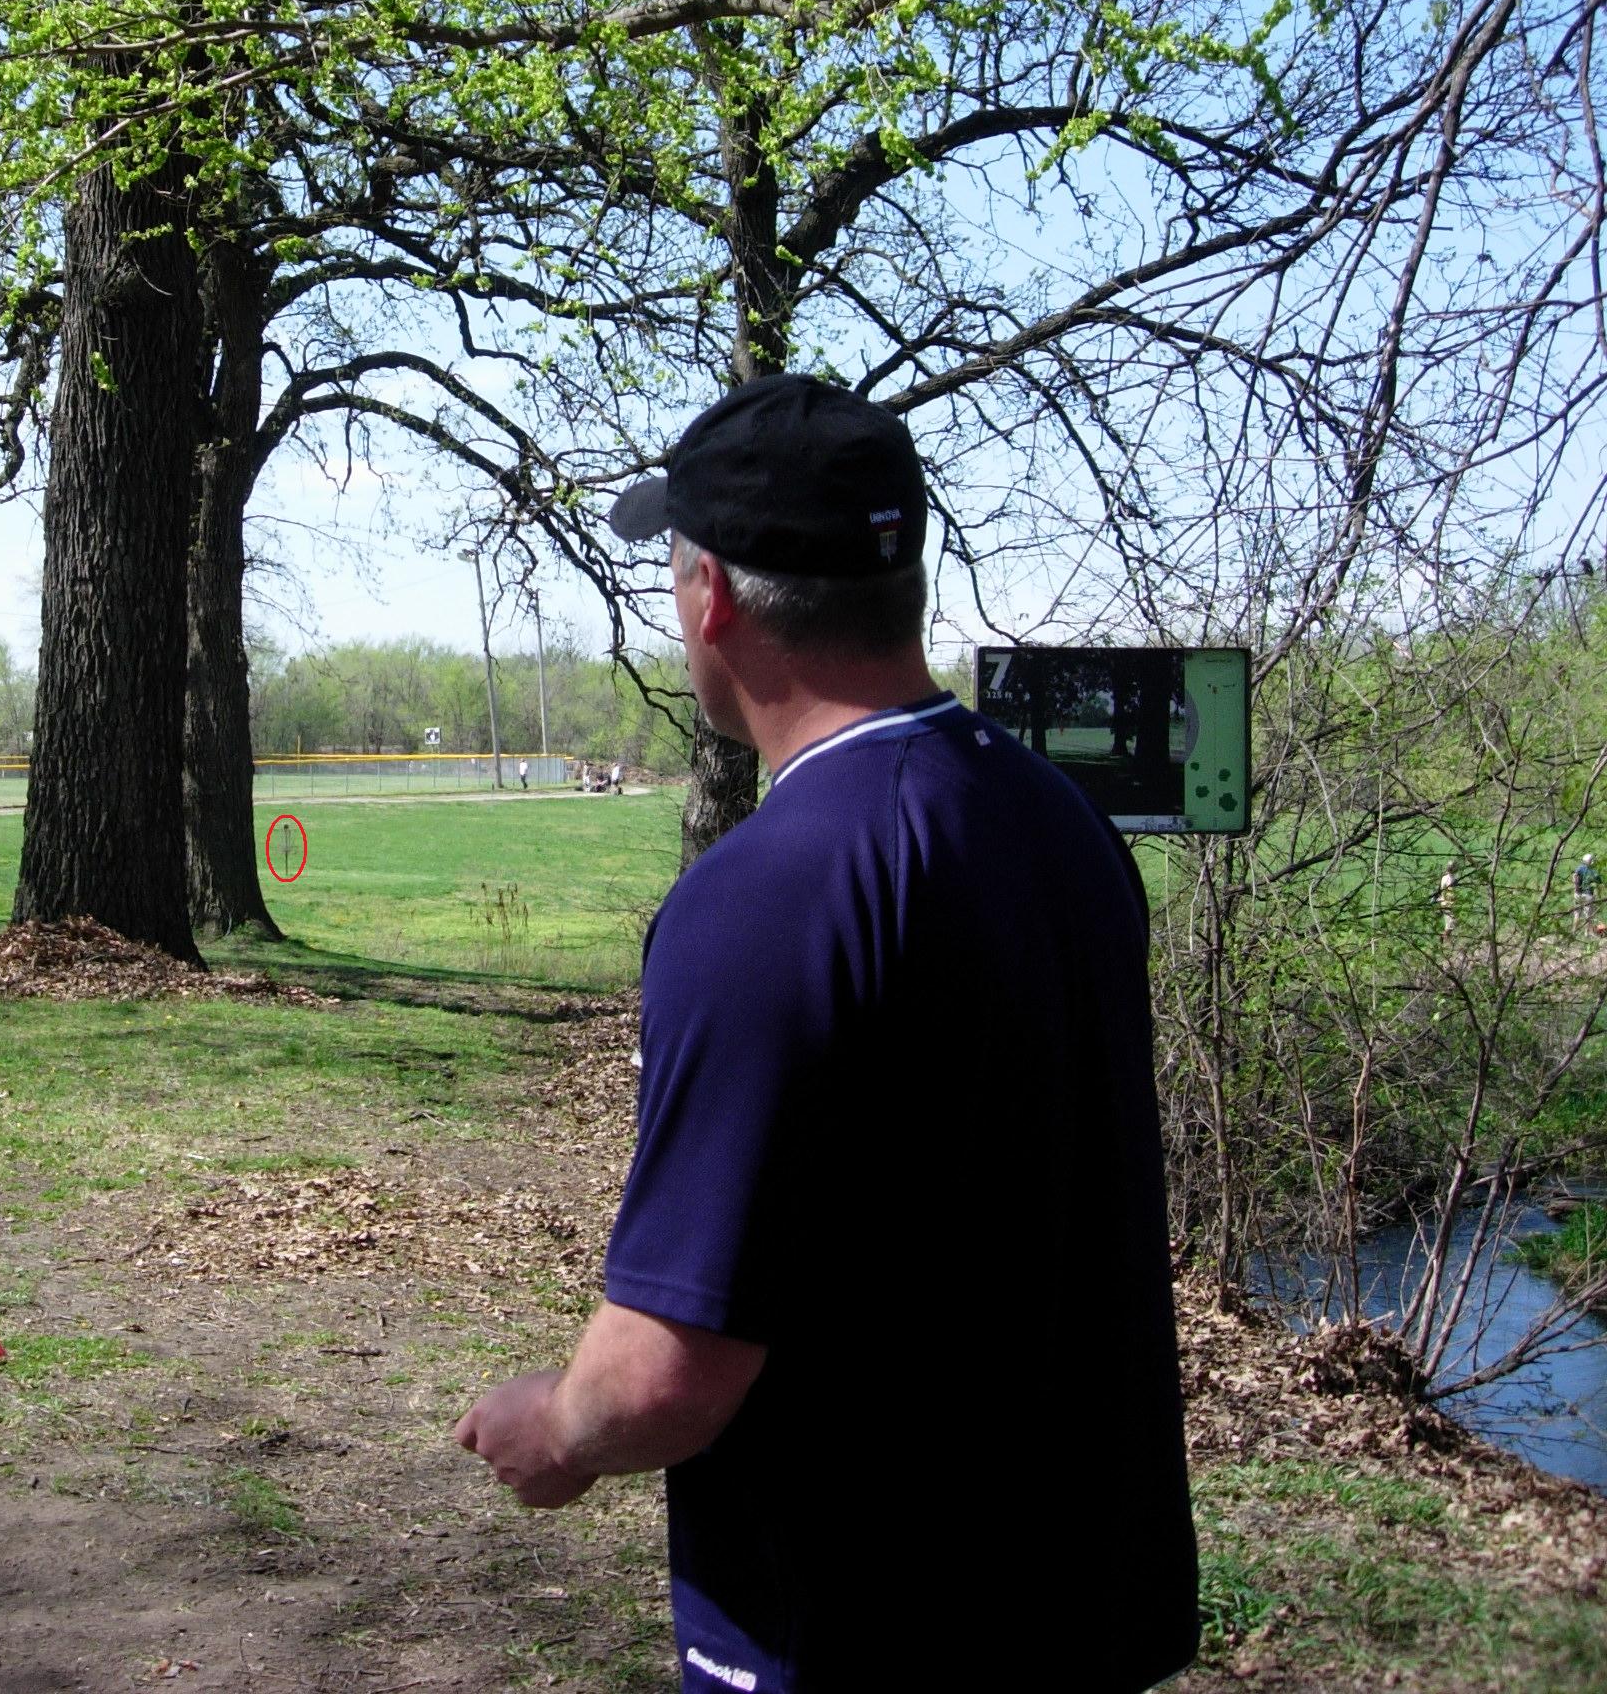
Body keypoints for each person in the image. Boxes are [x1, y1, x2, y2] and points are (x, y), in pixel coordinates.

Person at [455, 373, 1197, 1694]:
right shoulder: (1063, 828)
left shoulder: (764, 896)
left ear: (712, 598)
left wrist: (556, 1430)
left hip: (863, 1628)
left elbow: (665, 1375)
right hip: (1076, 1607)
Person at [1576, 852, 1598, 931]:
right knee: (1588, 915)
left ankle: (1573, 931)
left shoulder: (1579, 869)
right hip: (1588, 895)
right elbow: (1598, 882)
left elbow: (1575, 878)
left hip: (1577, 894)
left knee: (1577, 914)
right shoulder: (1593, 871)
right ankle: (1587, 932)